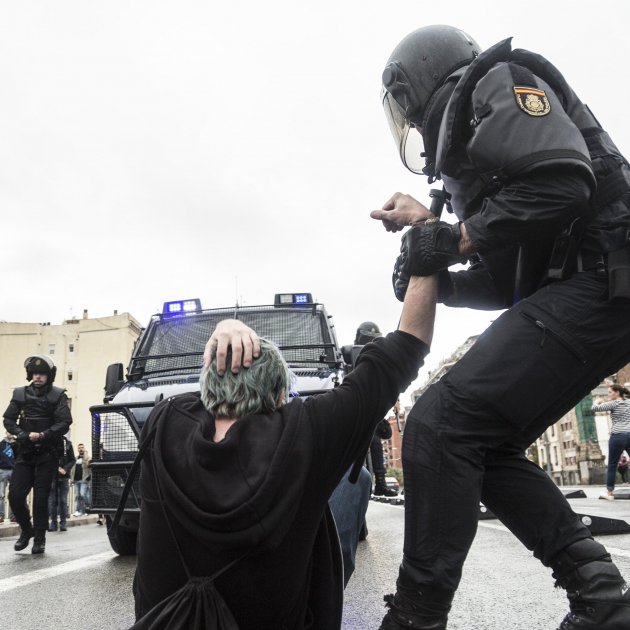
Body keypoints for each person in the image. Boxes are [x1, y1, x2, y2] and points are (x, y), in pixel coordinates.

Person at [372, 25, 630, 630]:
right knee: (481, 442)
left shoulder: (496, 82)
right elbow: (513, 281)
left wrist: (453, 238)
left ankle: (416, 616)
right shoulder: (477, 157)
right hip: (596, 287)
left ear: (424, 84)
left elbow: (563, 180)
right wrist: (437, 275)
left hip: (606, 277)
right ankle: (602, 596)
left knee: (441, 420)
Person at [133, 274, 438, 629]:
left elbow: (192, 399)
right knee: (356, 482)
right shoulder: (305, 433)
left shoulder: (163, 422)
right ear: (280, 397)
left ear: (208, 382)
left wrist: (225, 328)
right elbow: (407, 347)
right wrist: (425, 248)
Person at [3, 355, 73, 554]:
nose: (38, 376)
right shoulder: (19, 393)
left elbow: (65, 422)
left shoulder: (58, 395)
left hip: (47, 454)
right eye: (35, 373)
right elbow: (8, 420)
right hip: (25, 453)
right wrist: (23, 434)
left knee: (41, 498)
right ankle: (27, 530)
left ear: (49, 376)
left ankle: (39, 539)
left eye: (42, 373)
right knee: (15, 496)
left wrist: (43, 435)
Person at [593, 384, 630, 500]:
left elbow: (595, 409)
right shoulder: (628, 402)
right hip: (629, 434)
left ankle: (609, 492)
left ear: (616, 392)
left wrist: (597, 401)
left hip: (618, 436)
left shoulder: (614, 403)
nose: (608, 394)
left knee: (612, 464)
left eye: (610, 392)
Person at [48, 435, 76, 531]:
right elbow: (47, 459)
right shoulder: (51, 443)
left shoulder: (68, 443)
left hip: (64, 477)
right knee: (53, 501)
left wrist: (65, 469)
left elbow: (73, 459)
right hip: (52, 477)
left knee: (63, 500)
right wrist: (56, 468)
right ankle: (53, 522)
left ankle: (63, 523)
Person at [0, 432, 16, 523]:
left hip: (14, 471)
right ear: (6, 433)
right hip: (2, 470)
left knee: (14, 495)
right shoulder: (1, 444)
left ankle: (13, 516)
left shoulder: (17, 444)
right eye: (8, 431)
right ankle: (0, 515)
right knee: (1, 495)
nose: (10, 433)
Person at [72, 443, 91, 516]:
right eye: (79, 448)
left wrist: (85, 455)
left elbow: (87, 465)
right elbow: (72, 470)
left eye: (82, 447)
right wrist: (71, 479)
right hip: (76, 480)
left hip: (84, 480)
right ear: (77, 449)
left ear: (84, 448)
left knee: (83, 495)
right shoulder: (75, 458)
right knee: (78, 496)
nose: (81, 449)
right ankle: (78, 510)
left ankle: (87, 509)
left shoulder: (88, 458)